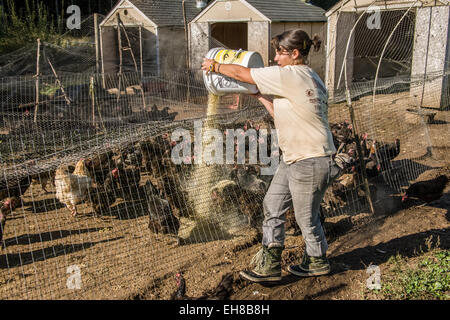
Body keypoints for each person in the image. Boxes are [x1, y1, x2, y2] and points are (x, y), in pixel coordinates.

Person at [201, 29, 342, 282]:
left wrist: (215, 65)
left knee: (305, 218)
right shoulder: (312, 78)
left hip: (309, 159)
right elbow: (282, 113)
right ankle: (270, 265)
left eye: (280, 52)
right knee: (273, 205)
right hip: (295, 158)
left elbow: (243, 73)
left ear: (295, 53)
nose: (275, 58)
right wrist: (259, 96)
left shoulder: (290, 74)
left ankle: (317, 260)